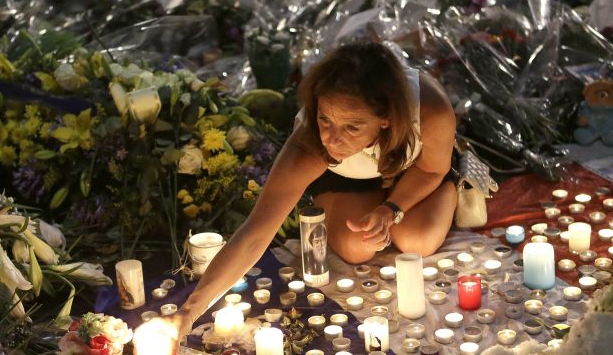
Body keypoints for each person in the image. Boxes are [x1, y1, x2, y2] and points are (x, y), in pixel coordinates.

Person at [171, 42, 457, 338]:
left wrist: (391, 210)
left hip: (415, 169)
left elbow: (432, 169)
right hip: (350, 176)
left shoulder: (429, 111)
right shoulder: (312, 142)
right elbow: (255, 232)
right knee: (356, 247)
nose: (332, 139)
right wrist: (188, 312)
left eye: (352, 127)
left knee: (417, 240)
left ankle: (455, 188)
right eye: (325, 119)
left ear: (385, 118)